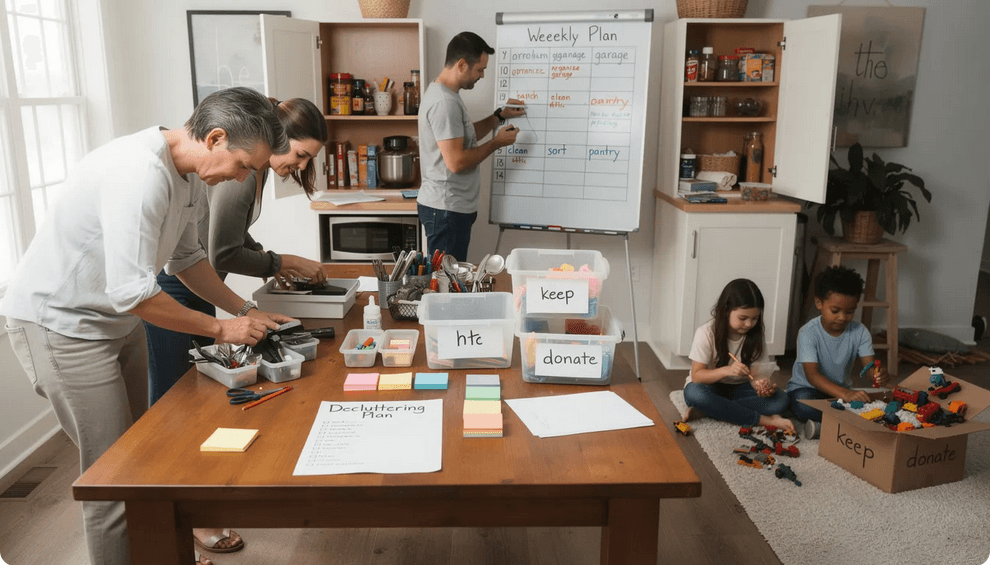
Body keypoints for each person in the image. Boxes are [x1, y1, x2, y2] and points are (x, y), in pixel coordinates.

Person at [1, 86, 296, 565]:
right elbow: (132, 292)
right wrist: (221, 330)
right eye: (245, 164)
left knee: (140, 459)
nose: (244, 177)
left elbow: (187, 260)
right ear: (216, 138)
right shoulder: (139, 175)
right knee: (114, 480)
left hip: (113, 321)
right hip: (62, 326)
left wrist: (243, 310)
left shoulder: (189, 175)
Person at [146, 97, 329, 406]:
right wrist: (279, 262)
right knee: (171, 396)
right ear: (279, 137)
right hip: (176, 287)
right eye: (301, 155)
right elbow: (222, 252)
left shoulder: (255, 169)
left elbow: (225, 237)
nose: (302, 166)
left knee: (197, 392)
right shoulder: (241, 171)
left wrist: (269, 266)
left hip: (203, 285)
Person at [417, 30, 526, 261]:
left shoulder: (445, 94)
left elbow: (461, 137)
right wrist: (496, 143)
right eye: (480, 69)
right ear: (462, 65)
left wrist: (499, 116)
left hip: (450, 209)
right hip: (446, 210)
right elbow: (456, 162)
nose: (482, 76)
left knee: (450, 278)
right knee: (447, 281)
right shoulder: (444, 103)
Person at [787, 265, 889, 439]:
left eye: (850, 312)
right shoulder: (808, 332)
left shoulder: (860, 332)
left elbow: (869, 368)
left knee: (869, 404)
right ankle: (848, 424)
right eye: (835, 311)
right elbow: (813, 376)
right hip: (806, 390)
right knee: (803, 405)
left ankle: (829, 425)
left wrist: (877, 375)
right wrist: (846, 394)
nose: (842, 317)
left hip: (838, 393)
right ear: (819, 303)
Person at [683, 279, 795, 432]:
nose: (749, 324)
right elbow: (697, 376)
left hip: (739, 388)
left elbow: (756, 375)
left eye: (754, 318)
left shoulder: (756, 334)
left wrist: (760, 384)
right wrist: (727, 371)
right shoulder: (706, 333)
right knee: (695, 394)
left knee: (781, 399)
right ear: (726, 310)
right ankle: (762, 420)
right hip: (710, 387)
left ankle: (710, 410)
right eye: (743, 318)